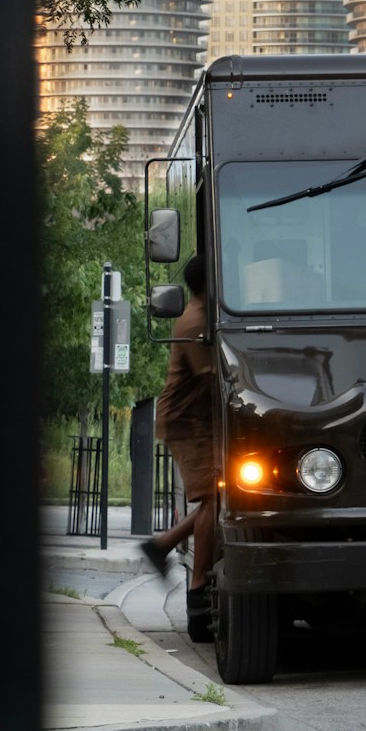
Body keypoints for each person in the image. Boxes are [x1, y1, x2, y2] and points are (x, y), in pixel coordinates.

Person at [141, 254, 216, 620]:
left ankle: (161, 546)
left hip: (193, 420)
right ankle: (198, 587)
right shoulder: (195, 322)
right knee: (215, 499)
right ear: (212, 280)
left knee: (222, 494)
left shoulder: (202, 315)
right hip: (187, 423)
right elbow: (212, 380)